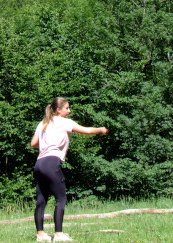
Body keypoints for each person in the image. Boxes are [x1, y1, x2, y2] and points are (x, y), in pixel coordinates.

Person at [31, 97, 108, 242]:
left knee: (41, 200)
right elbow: (85, 130)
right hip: (52, 162)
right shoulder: (64, 122)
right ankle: (59, 235)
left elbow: (34, 143)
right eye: (67, 108)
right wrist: (100, 130)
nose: (69, 111)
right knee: (61, 198)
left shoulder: (43, 123)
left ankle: (40, 235)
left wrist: (46, 145)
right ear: (58, 110)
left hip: (39, 163)